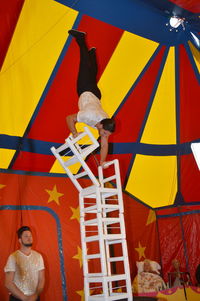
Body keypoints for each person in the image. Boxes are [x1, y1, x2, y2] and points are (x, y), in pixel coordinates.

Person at [66, 29, 116, 167]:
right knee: (84, 66)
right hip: (86, 90)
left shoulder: (105, 121)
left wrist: (102, 162)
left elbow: (105, 146)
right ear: (100, 125)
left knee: (91, 74)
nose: (104, 135)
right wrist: (74, 133)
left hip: (95, 94)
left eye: (106, 134)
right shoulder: (89, 116)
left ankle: (92, 54)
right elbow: (69, 118)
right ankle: (81, 39)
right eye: (104, 132)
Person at [4, 226, 45, 301]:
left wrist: (36, 295)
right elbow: (8, 283)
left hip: (35, 298)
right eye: (26, 236)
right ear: (20, 240)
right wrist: (24, 298)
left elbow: (41, 279)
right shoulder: (13, 257)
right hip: (17, 299)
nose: (29, 238)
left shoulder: (38, 256)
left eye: (30, 236)